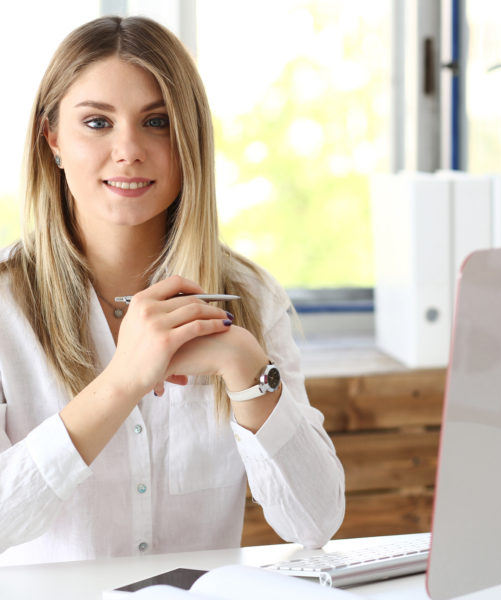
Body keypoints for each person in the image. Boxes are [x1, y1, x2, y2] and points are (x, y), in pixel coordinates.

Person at [0, 15, 345, 565]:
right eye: (97, 122)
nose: (129, 149)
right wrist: (122, 382)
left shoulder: (250, 297)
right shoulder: (4, 308)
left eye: (157, 121)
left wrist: (248, 371)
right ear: (53, 139)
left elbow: (316, 520)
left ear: (189, 140)